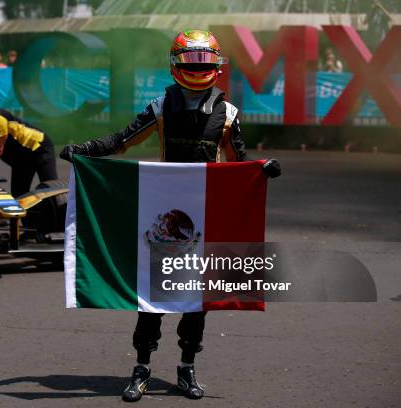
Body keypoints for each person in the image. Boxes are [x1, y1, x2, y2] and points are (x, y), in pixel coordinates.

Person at [60, 30, 281, 402]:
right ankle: (141, 369)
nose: (199, 68)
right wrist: (82, 150)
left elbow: (240, 162)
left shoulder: (228, 112)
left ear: (216, 63)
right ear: (177, 63)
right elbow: (122, 140)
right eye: (191, 61)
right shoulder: (161, 105)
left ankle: (186, 369)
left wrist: (263, 167)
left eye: (205, 60)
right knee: (153, 296)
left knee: (197, 299)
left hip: (205, 214)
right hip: (162, 211)